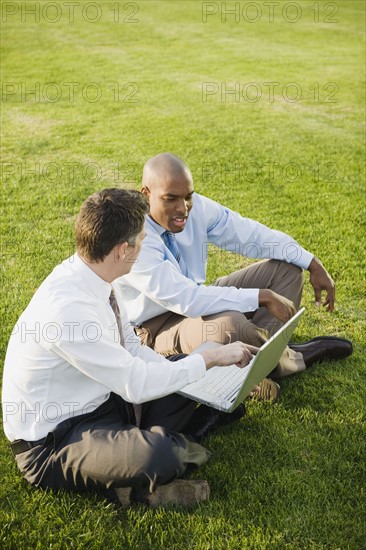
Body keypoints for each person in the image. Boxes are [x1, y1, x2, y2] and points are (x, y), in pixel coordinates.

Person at [2, 188, 257, 508]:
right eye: (143, 241)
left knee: (179, 372)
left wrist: (194, 366)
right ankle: (157, 467)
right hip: (57, 441)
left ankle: (168, 439)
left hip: (107, 400)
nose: (145, 247)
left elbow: (133, 348)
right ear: (123, 249)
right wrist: (208, 358)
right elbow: (136, 385)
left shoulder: (97, 276)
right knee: (159, 454)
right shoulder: (68, 311)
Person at [118, 153, 352, 382]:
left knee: (288, 271)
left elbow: (249, 234)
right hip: (156, 329)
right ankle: (288, 358)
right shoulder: (134, 237)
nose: (183, 208)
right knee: (230, 324)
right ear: (146, 194)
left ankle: (249, 370)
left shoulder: (194, 207)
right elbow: (186, 299)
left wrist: (312, 262)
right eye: (170, 198)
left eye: (187, 196)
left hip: (199, 300)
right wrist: (262, 296)